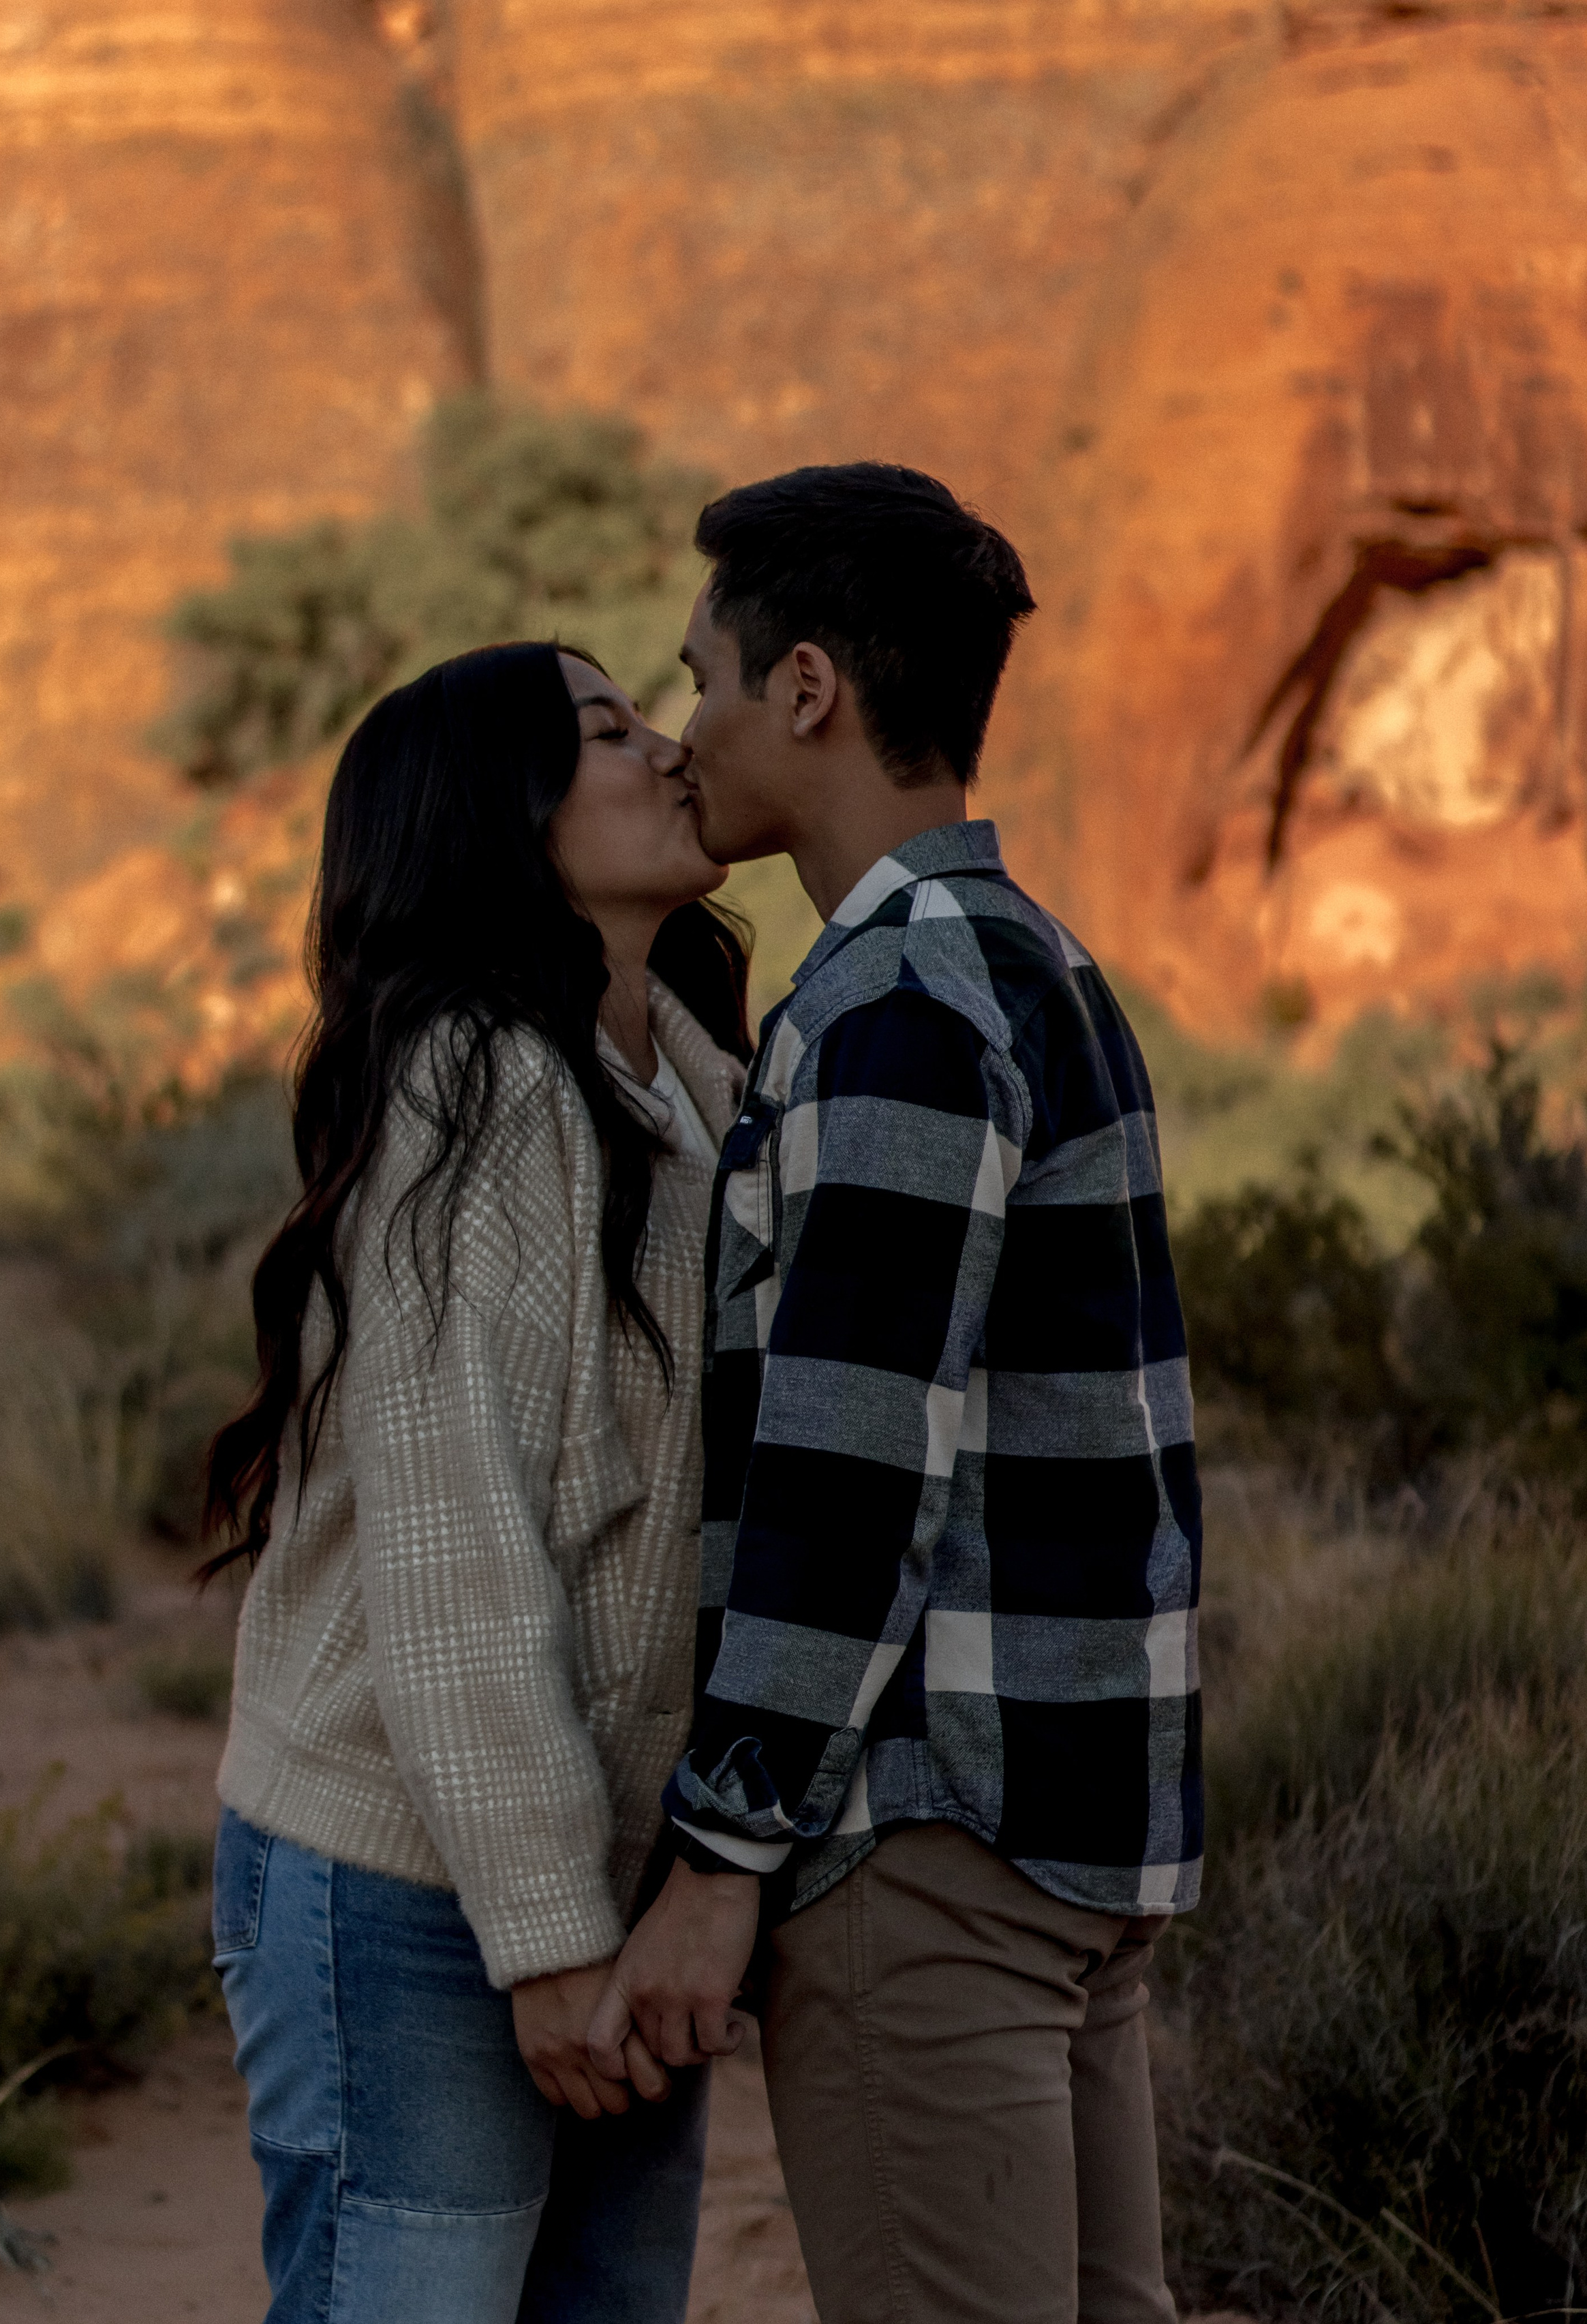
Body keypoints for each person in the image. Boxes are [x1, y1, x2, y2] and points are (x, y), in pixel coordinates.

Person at [589, 465, 1203, 2324]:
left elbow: (854, 1466)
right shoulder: (1037, 960)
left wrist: (722, 1847)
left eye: (697, 674)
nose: (679, 723)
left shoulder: (894, 1002)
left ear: (803, 691)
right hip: (1080, 1827)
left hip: (928, 1842)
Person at [202, 641, 749, 2324]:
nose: (668, 751)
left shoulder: (696, 1086)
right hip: (414, 1882)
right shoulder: (472, 1085)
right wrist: (549, 1937)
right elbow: (454, 1563)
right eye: (606, 732)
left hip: (607, 1877)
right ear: (493, 820)